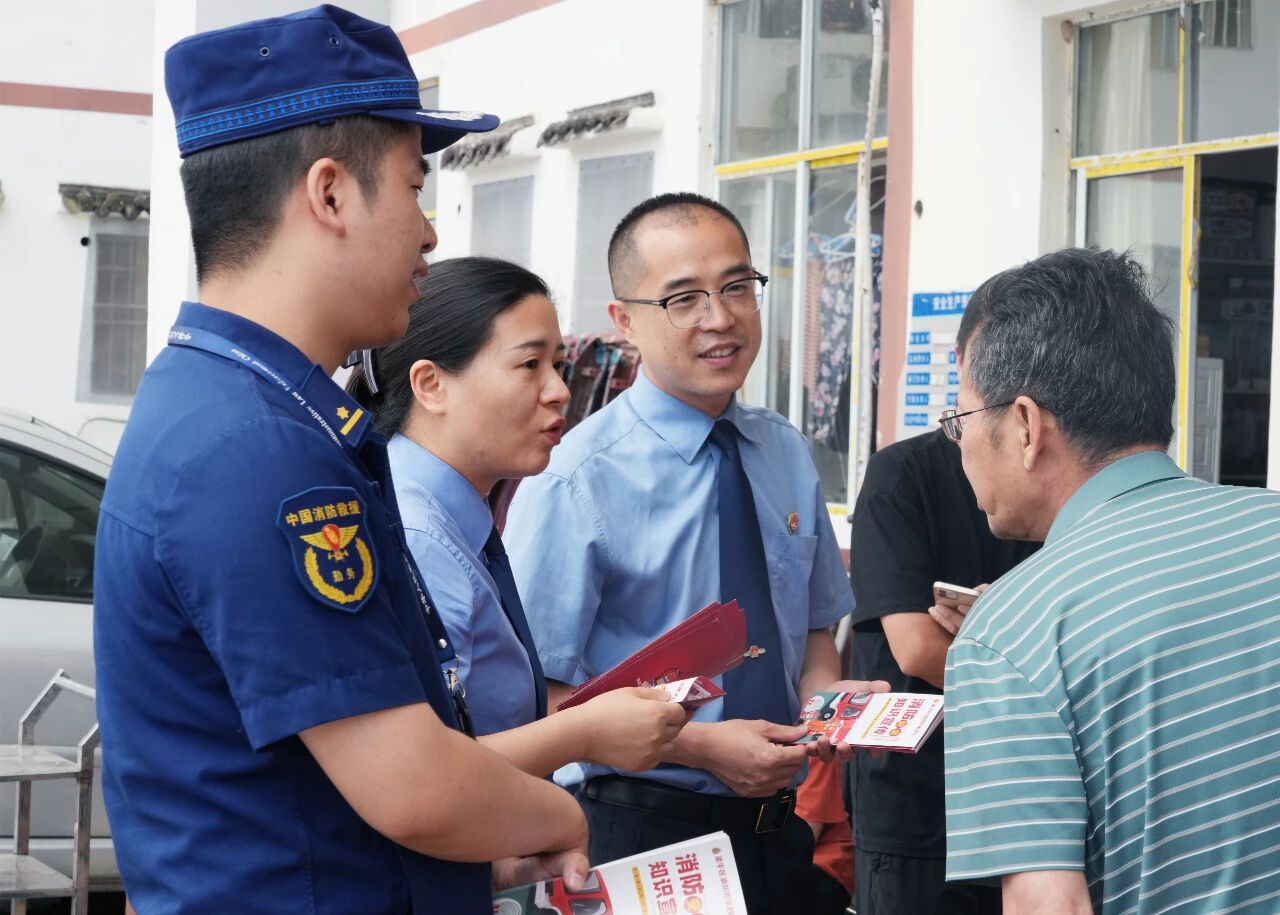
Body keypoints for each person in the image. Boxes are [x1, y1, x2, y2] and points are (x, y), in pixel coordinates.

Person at [94, 9, 588, 914]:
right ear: (329, 194)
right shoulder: (257, 446)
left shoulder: (220, 400)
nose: (429, 234)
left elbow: (302, 785)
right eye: (412, 189)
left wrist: (465, 861)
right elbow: (412, 785)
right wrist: (560, 814)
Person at [503, 191, 886, 914]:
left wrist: (826, 704)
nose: (721, 317)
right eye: (684, 299)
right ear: (625, 321)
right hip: (642, 831)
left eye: (738, 287)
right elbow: (539, 696)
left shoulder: (784, 451)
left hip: (779, 830)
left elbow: (811, 632)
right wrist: (703, 748)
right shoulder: (576, 477)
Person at [941, 247, 1280, 915]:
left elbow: (1050, 905)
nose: (960, 446)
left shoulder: (1011, 635)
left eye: (961, 421)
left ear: (1026, 426)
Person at [346, 256, 688, 775]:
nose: (560, 391)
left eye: (558, 365)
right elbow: (414, 773)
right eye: (530, 365)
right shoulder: (417, 535)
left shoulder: (445, 513)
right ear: (431, 385)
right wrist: (585, 733)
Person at [847, 425, 1038, 914]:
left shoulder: (1056, 474)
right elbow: (918, 651)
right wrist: (1031, 656)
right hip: (918, 800)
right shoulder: (903, 473)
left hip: (1032, 802)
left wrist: (988, 636)